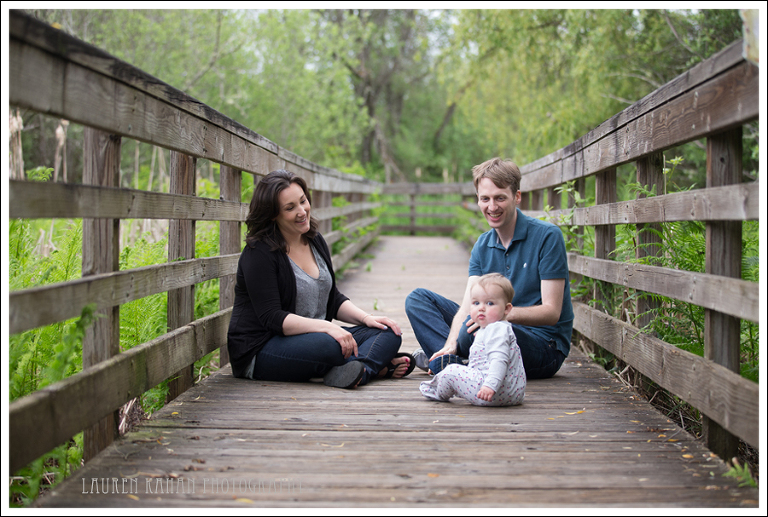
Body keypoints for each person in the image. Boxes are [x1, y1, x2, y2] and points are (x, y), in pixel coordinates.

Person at [227, 169, 413, 389]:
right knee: (330, 345)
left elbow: (332, 298)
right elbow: (272, 318)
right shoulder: (259, 253)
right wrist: (326, 327)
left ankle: (361, 370)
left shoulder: (314, 240)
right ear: (272, 215)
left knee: (388, 332)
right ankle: (375, 365)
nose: (302, 211)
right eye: (290, 208)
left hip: (313, 337)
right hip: (262, 348)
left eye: (303, 201)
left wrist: (366, 318)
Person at [405, 157, 573, 380]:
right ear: (478, 200)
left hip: (543, 345)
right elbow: (467, 305)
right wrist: (450, 343)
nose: (492, 207)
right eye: (485, 199)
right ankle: (449, 359)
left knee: (482, 329)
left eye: (500, 198)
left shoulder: (547, 237)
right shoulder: (482, 245)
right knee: (418, 300)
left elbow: (551, 312)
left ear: (517, 197)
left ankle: (451, 364)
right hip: (490, 328)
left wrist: (497, 317)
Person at [420, 273, 525, 406]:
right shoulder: (497, 328)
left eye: (490, 303)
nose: (481, 307)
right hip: (512, 394)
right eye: (476, 303)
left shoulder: (496, 329)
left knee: (450, 372)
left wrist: (490, 385)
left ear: (506, 309)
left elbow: (500, 359)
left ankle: (437, 392)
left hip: (491, 392)